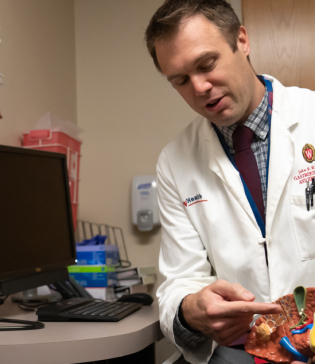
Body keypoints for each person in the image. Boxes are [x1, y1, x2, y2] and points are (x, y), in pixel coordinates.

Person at [145, 0, 315, 363]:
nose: (200, 87)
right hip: (243, 351)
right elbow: (179, 280)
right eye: (180, 80)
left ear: (242, 40)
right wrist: (192, 309)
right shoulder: (175, 162)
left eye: (207, 64)